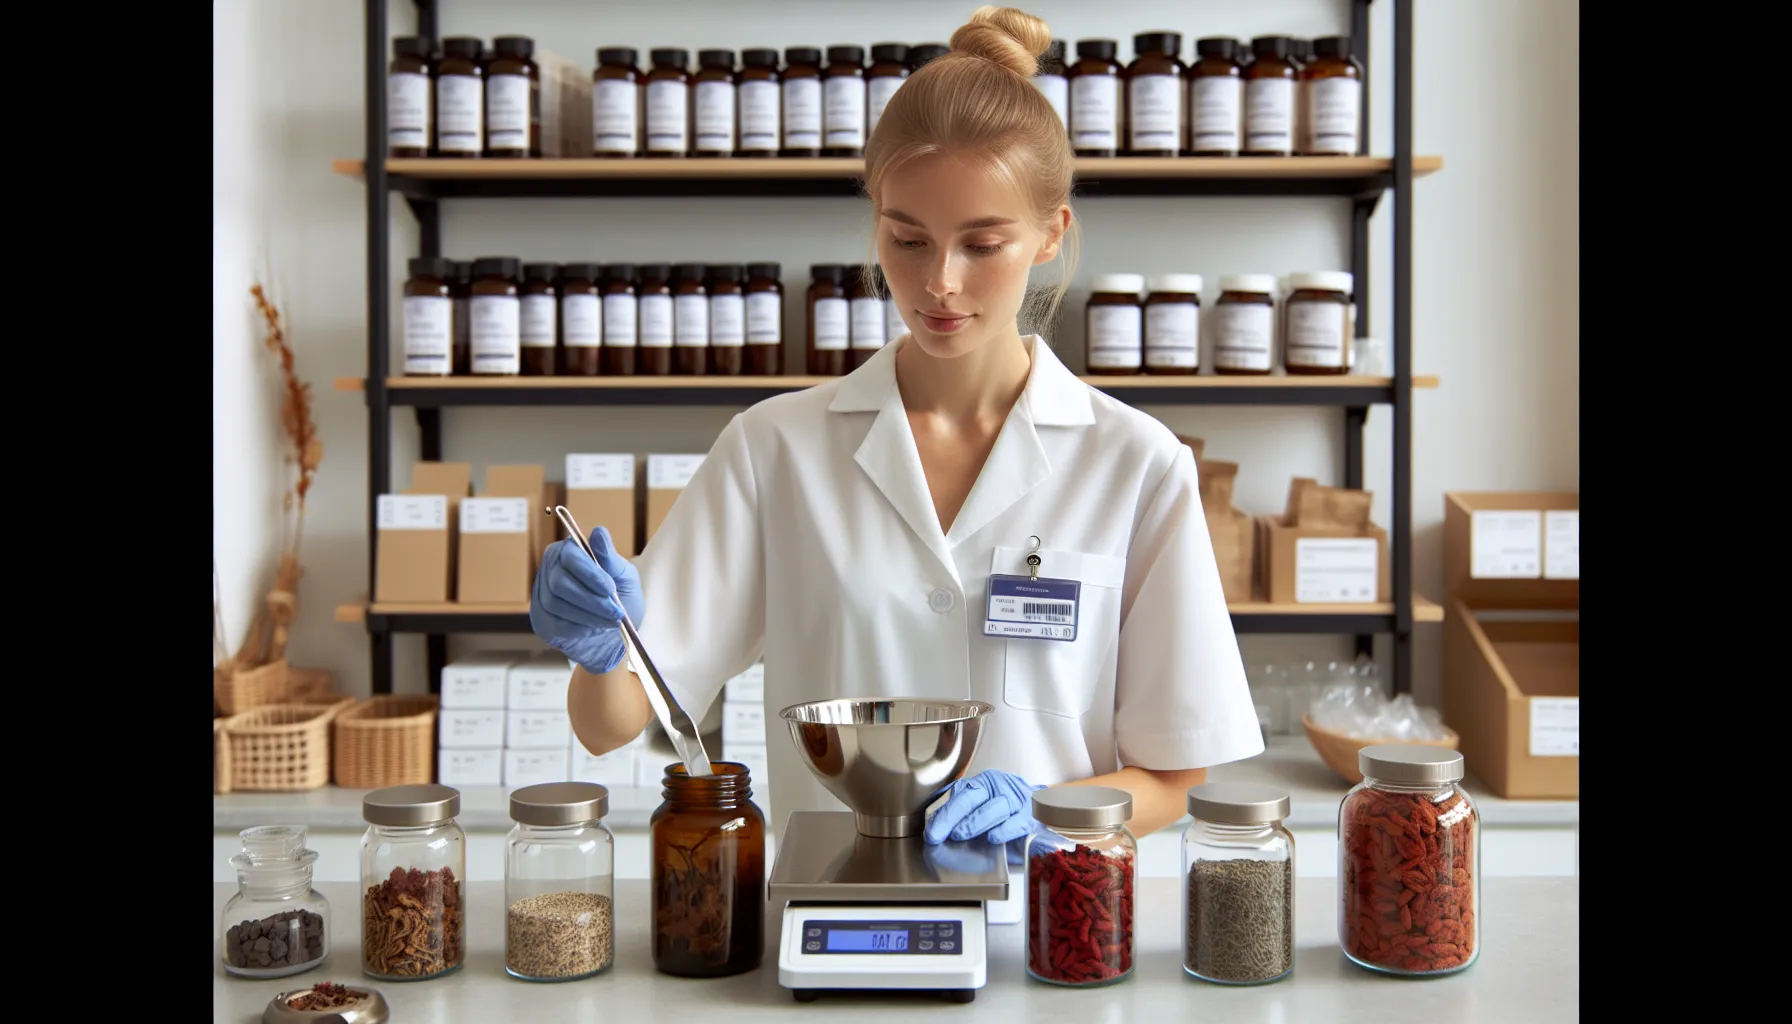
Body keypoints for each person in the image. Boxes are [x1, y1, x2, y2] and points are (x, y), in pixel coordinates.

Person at [530, 5, 1264, 854]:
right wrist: (596, 649)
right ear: (874, 218)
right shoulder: (776, 450)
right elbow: (611, 723)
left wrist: (1050, 807)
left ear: (1050, 235)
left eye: (982, 243)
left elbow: (1175, 776)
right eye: (907, 239)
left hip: (1054, 929)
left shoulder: (1134, 463)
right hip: (831, 910)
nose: (940, 283)